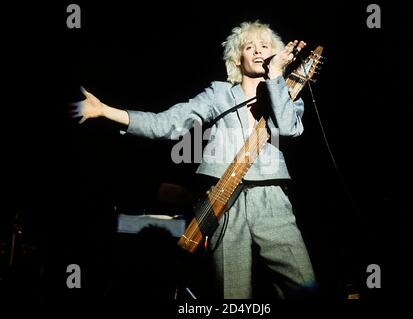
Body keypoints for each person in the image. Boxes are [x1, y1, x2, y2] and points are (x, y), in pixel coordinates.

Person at [70, 20, 317, 299]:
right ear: (238, 58)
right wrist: (105, 110)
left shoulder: (287, 94)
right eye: (250, 46)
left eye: (265, 46)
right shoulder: (219, 93)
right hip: (223, 200)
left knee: (303, 288)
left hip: (271, 197)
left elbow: (288, 129)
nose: (258, 51)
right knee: (232, 295)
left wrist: (276, 78)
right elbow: (167, 123)